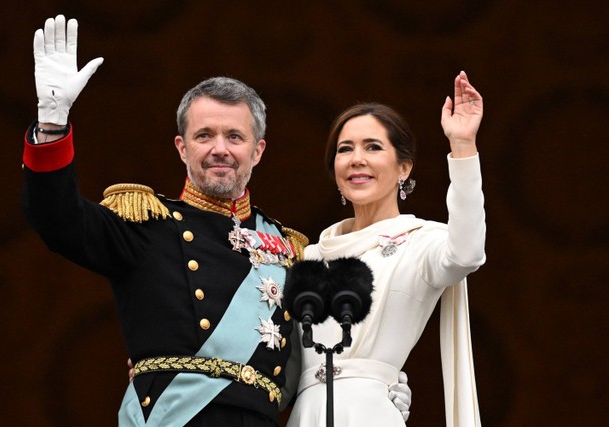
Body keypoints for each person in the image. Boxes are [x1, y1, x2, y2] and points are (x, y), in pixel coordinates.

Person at [22, 15, 412, 427]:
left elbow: (314, 356)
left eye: (234, 137)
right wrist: (52, 123)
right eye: (204, 135)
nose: (219, 149)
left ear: (257, 151)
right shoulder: (146, 226)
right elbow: (57, 218)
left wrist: (367, 388)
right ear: (182, 148)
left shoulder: (291, 251)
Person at [286, 72, 486, 427]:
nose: (356, 159)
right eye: (345, 149)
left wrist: (462, 145)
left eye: (373, 147)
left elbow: (467, 253)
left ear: (403, 167)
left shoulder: (422, 242)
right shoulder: (307, 256)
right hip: (306, 415)